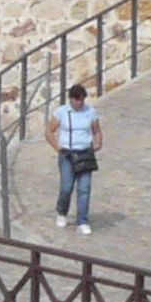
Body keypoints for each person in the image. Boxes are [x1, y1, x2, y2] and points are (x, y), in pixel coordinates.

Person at [46, 84, 101, 235]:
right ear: (71, 99)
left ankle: (82, 221)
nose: (80, 103)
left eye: (82, 100)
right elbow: (49, 131)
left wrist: (98, 143)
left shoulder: (90, 112)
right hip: (67, 154)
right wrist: (57, 147)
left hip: (84, 153)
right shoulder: (62, 112)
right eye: (77, 99)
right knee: (66, 187)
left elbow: (96, 130)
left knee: (84, 188)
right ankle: (62, 211)